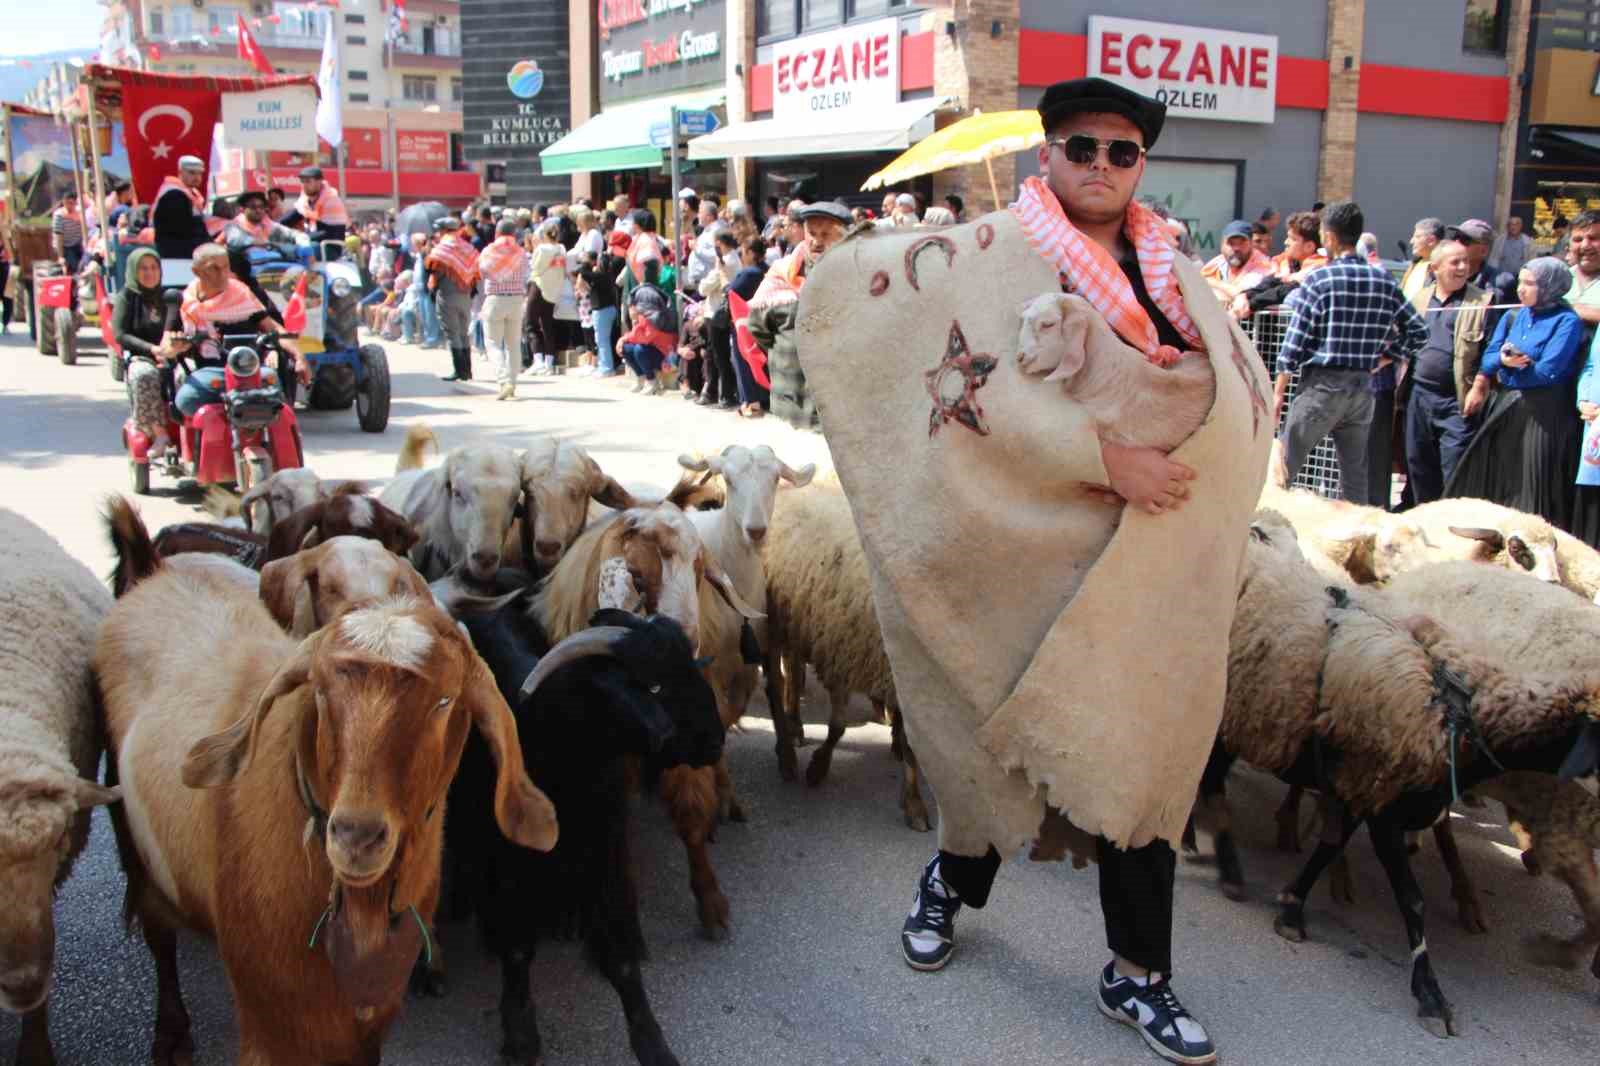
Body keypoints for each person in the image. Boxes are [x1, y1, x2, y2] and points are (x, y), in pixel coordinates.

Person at [884, 77, 1267, 1066]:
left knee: (1141, 759)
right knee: (1002, 739)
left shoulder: (1171, 265)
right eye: (1081, 146)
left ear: (1142, 164)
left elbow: (1226, 371)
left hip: (1153, 558)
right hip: (1031, 544)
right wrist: (1106, 460)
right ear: (1044, 155)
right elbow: (968, 399)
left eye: (1121, 151)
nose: (1100, 165)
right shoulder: (995, 261)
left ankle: (1137, 972)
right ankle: (950, 882)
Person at [1274, 200, 1428, 506]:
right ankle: (1357, 541)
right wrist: (1385, 358)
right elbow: (1419, 332)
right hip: (1362, 389)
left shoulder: (1320, 280)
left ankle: (1268, 538)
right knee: (1355, 477)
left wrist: (1278, 392)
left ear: (1329, 237)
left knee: (1285, 467)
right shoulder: (1382, 279)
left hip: (1321, 386)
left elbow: (1294, 345)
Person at [1451, 257, 1586, 529]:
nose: (1521, 289)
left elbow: (1549, 371)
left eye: (1530, 283)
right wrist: (1505, 362)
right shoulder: (1516, 314)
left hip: (1544, 415)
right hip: (1507, 408)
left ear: (1549, 286)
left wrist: (1508, 369)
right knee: (1501, 477)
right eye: (1520, 282)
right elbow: (1489, 358)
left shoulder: (1566, 321)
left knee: (1533, 481)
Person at [1403, 240, 1493, 503]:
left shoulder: (1482, 301)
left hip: (1456, 400)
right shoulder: (1420, 299)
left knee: (1454, 469)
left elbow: (1489, 350)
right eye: (1455, 262)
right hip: (1418, 396)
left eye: (1465, 261)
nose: (1463, 267)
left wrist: (1479, 386)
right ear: (1435, 268)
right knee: (1418, 465)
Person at [747, 201, 851, 429]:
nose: (816, 241)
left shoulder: (857, 277)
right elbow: (757, 328)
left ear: (844, 237)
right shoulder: (782, 274)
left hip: (837, 405)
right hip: (790, 400)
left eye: (825, 234)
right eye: (812, 233)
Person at [175, 243, 303, 417]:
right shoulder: (185, 302)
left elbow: (275, 328)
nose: (223, 275)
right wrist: (177, 344)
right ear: (196, 271)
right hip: (210, 375)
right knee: (185, 400)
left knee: (279, 404)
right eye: (214, 269)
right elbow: (169, 341)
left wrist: (299, 356)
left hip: (250, 372)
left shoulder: (242, 294)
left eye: (226, 267)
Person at [115, 248, 183, 457]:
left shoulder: (169, 297)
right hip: (142, 355)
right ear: (134, 271)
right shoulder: (127, 297)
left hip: (173, 354)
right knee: (144, 375)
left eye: (153, 267)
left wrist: (174, 345)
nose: (149, 272)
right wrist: (152, 349)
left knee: (189, 377)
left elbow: (181, 326)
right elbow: (120, 334)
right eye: (143, 268)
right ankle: (159, 433)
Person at [1232, 210, 1325, 320]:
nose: (1286, 242)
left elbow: (1283, 290)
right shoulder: (1288, 263)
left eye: (1292, 239)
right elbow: (1270, 282)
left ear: (1309, 246)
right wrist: (1243, 296)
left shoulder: (1319, 267)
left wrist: (1251, 304)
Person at [478, 218, 532, 400]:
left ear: (497, 233)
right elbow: (526, 273)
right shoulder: (521, 253)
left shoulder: (489, 251)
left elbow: (482, 272)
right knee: (513, 344)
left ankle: (503, 382)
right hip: (517, 300)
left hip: (495, 300)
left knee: (493, 343)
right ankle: (513, 383)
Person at [425, 215, 480, 382]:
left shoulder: (441, 249)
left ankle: (459, 370)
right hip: (465, 295)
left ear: (443, 230)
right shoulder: (467, 247)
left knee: (452, 333)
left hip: (447, 294)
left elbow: (432, 269)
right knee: (463, 332)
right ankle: (467, 370)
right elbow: (475, 269)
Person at [617, 259, 676, 394]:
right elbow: (638, 334)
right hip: (651, 348)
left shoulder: (650, 310)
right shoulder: (640, 313)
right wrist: (625, 339)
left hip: (664, 352)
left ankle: (652, 382)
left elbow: (646, 337)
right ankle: (641, 378)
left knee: (639, 349)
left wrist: (624, 338)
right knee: (626, 349)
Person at [728, 235, 770, 417]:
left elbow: (730, 292)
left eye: (744, 252)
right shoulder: (767, 270)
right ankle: (756, 400)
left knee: (744, 362)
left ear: (751, 253)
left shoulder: (750, 273)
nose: (741, 256)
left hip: (745, 324)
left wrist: (722, 276)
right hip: (762, 323)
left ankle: (751, 402)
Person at [525, 219, 567, 376]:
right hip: (553, 291)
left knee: (531, 324)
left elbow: (535, 268)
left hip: (538, 288)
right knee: (547, 325)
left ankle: (538, 361)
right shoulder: (561, 249)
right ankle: (549, 363)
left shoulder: (541, 249)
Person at [152, 156, 213, 259]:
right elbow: (181, 231)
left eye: (200, 173)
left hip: (184, 253)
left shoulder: (190, 193)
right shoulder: (174, 195)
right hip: (178, 257)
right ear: (180, 172)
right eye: (192, 172)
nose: (197, 177)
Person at [1200, 219, 1272, 303]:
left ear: (1251, 244)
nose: (1236, 248)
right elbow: (1196, 284)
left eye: (1242, 243)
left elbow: (1242, 294)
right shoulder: (1218, 263)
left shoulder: (1262, 264)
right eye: (1231, 243)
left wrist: (1212, 283)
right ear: (1222, 246)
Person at [223, 191, 302, 258]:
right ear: (243, 209)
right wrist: (268, 244)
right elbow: (237, 240)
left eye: (261, 207)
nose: (258, 210)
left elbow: (289, 233)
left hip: (268, 264)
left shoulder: (266, 223)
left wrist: (301, 238)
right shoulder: (234, 225)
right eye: (253, 207)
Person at [288, 166, 349, 246]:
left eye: (308, 181)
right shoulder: (305, 201)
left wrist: (301, 237)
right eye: (302, 181)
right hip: (312, 242)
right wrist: (271, 227)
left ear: (319, 182)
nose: (304, 185)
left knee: (302, 250)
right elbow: (288, 218)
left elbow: (329, 232)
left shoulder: (331, 201)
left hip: (329, 246)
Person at [1564, 211, 1600, 342]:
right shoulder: (1558, 279)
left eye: (1593, 238)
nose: (1585, 245)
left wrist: (1574, 309)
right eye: (1578, 240)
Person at [1401, 217, 1445, 301]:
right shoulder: (1415, 264)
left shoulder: (1443, 268)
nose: (1411, 241)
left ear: (1431, 240)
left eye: (1417, 237)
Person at [51, 191, 85, 275]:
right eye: (67, 202)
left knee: (83, 263)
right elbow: (58, 236)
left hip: (77, 244)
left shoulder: (80, 213)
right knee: (75, 265)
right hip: (65, 246)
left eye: (71, 203)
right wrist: (61, 256)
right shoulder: (59, 215)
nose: (69, 205)